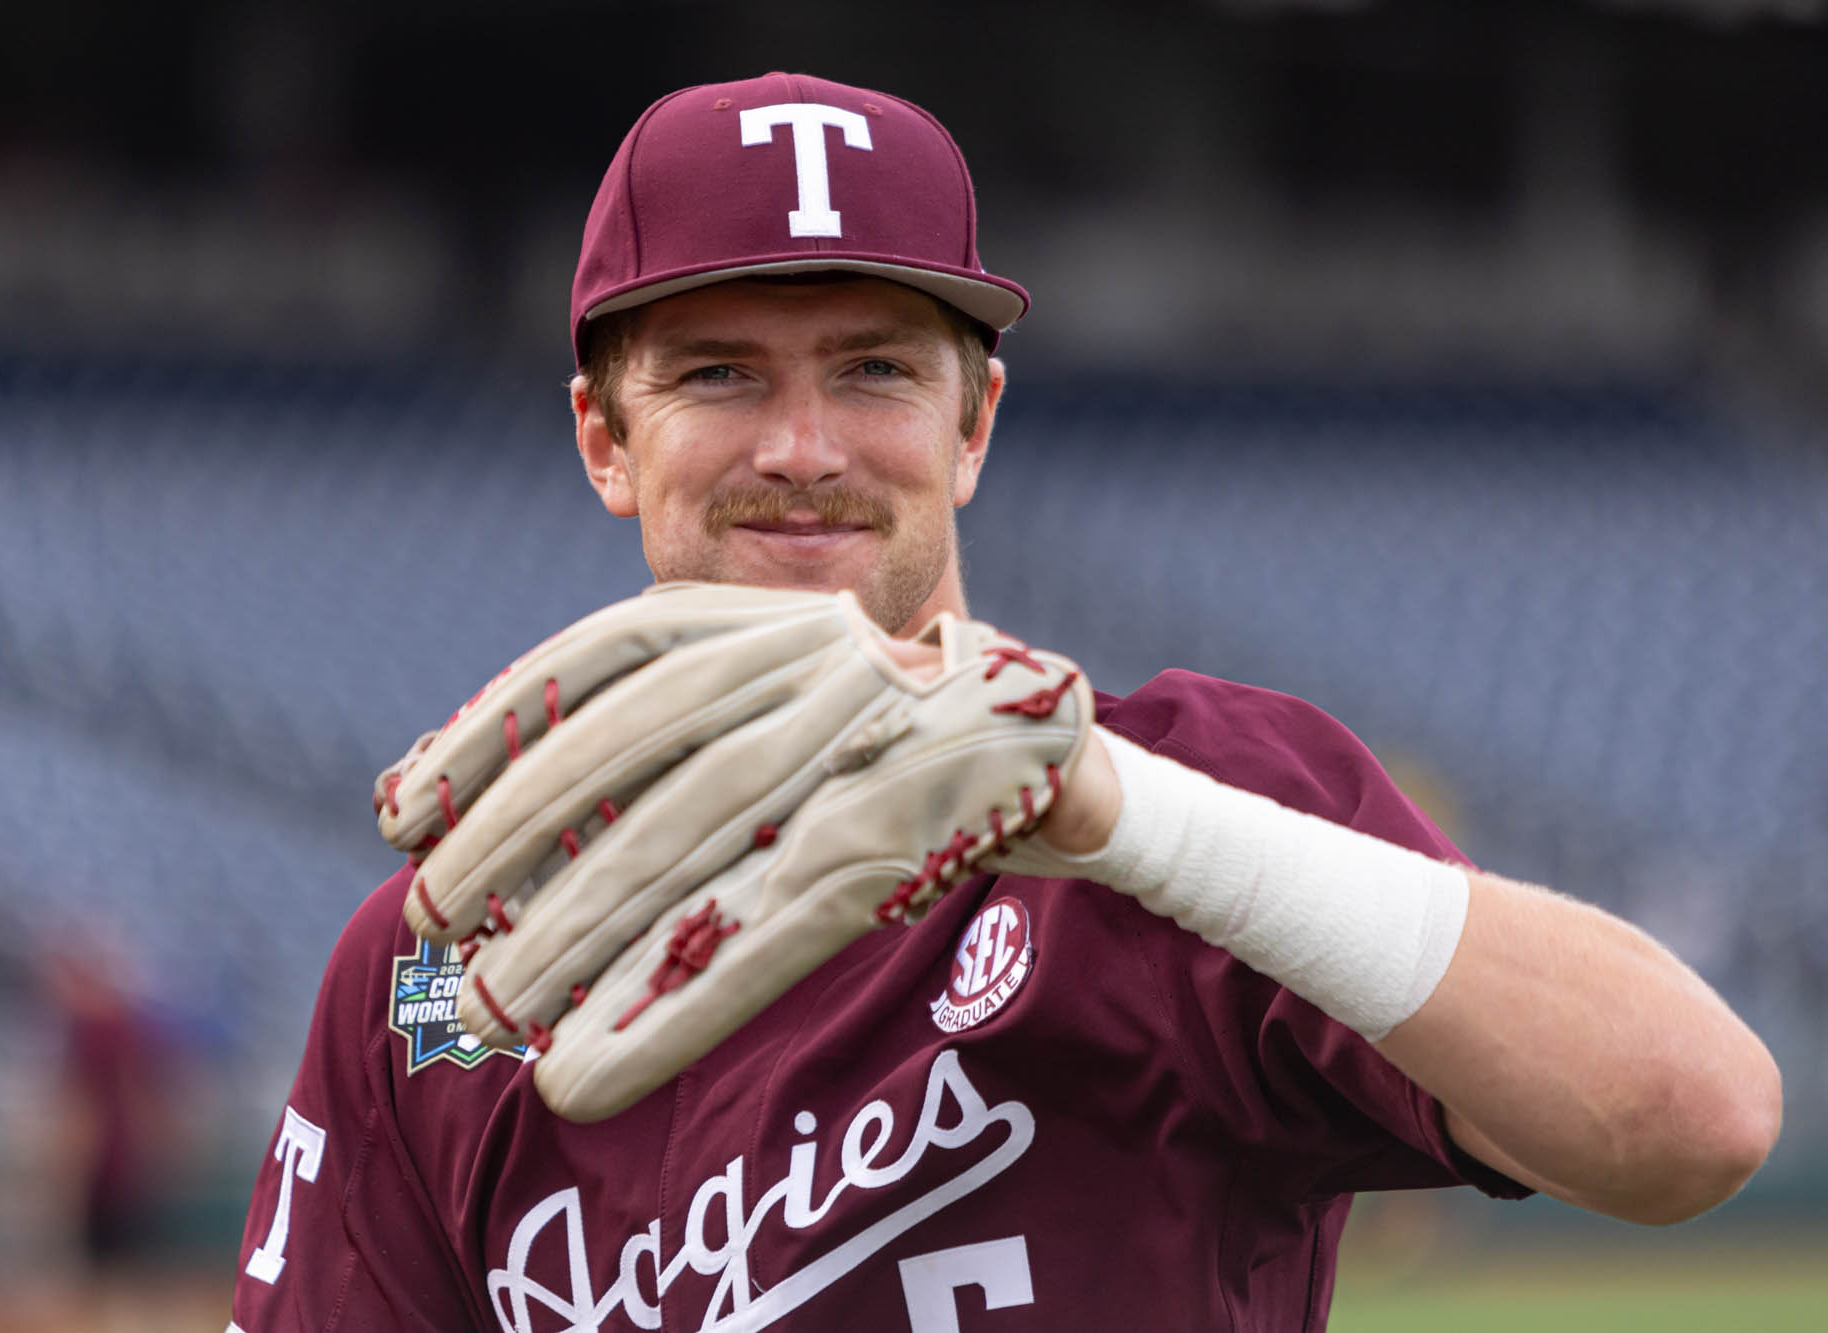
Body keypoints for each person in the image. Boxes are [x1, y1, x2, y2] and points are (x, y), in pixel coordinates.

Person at [227, 72, 1781, 1332]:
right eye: (716, 375)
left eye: (878, 371)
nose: (803, 446)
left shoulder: (1197, 797)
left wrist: (1119, 815)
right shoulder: (438, 968)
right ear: (602, 437)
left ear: (974, 424)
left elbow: (1692, 1116)